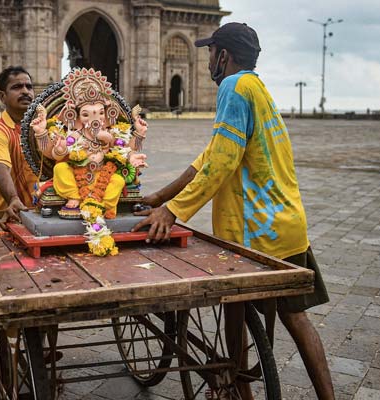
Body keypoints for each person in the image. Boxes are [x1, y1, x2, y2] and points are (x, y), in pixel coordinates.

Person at [133, 22, 335, 399]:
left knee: (234, 311)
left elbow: (221, 162)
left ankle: (240, 395)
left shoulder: (233, 87)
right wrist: (160, 198)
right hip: (287, 225)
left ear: (223, 56)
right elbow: (207, 158)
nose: (208, 59)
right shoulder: (257, 89)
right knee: (297, 318)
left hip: (252, 230)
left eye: (211, 52)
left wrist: (173, 212)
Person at [30, 68, 148, 219]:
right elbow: (55, 155)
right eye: (86, 114)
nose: (95, 119)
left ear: (106, 116)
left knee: (118, 180)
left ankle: (104, 205)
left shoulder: (110, 134)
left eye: (100, 113)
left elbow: (124, 148)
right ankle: (75, 197)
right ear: (77, 117)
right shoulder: (74, 135)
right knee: (60, 168)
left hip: (102, 177)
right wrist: (56, 146)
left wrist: (137, 141)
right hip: (77, 177)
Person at [0, 66, 39, 221]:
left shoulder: (42, 126)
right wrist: (13, 198)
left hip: (38, 213)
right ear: (2, 96)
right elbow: (1, 168)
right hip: (6, 213)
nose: (25, 92)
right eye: (17, 87)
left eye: (29, 87)